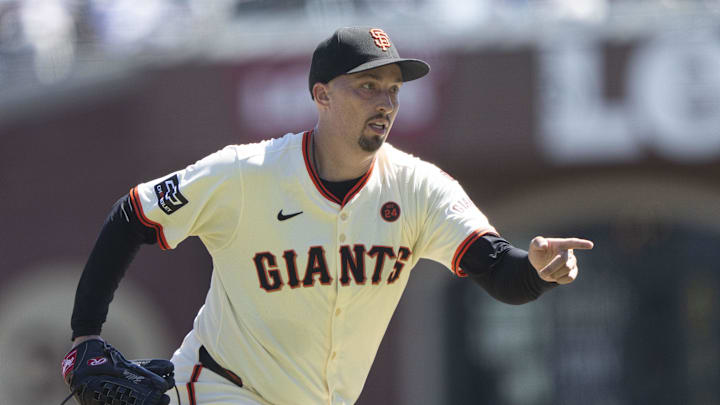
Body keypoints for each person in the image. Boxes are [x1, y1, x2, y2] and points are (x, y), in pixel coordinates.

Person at [62, 26, 594, 405]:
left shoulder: (418, 188)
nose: (384, 101)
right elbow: (132, 213)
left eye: (392, 89)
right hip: (223, 387)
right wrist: (86, 334)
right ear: (321, 95)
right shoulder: (246, 173)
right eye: (367, 86)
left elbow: (499, 271)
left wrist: (538, 270)